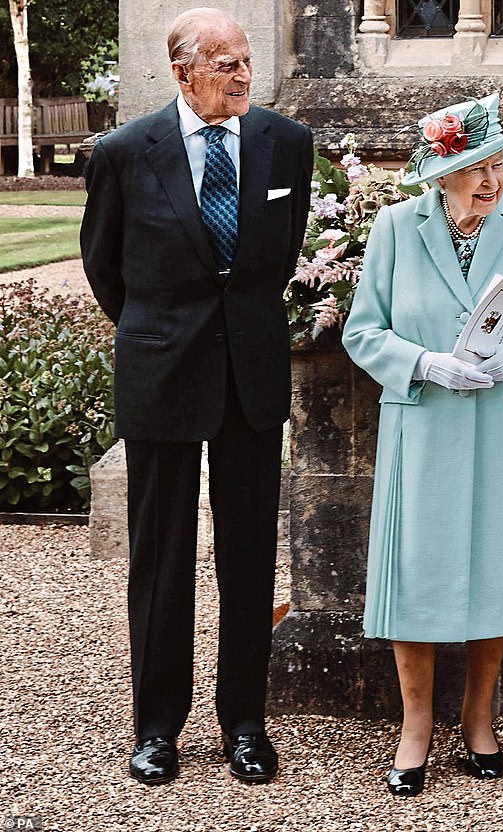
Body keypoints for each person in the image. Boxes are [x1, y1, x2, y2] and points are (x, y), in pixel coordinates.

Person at [342, 92, 503, 797]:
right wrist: (425, 364)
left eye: (501, 162)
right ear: (440, 173)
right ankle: (415, 724)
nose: (494, 179)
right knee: (414, 574)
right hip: (421, 422)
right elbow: (362, 332)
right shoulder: (396, 227)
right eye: (477, 167)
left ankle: (478, 718)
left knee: (492, 570)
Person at [80, 7, 312, 785]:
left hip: (250, 377)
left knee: (248, 559)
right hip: (161, 374)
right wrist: (164, 334)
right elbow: (105, 270)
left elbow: (277, 259)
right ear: (182, 73)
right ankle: (156, 730)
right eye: (226, 64)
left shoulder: (288, 144)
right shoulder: (121, 153)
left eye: (247, 60)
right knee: (162, 558)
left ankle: (245, 723)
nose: (245, 75)